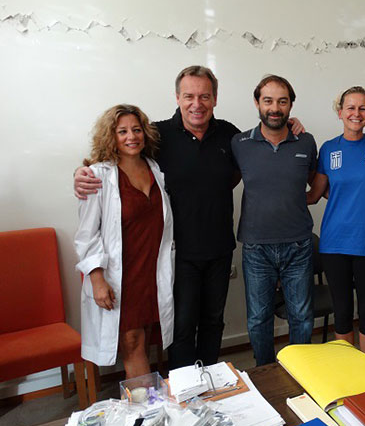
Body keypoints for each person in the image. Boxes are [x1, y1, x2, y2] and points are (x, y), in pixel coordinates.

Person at [74, 67, 304, 370]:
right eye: (189, 96)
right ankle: (184, 388)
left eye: (205, 96)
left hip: (219, 248)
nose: (197, 104)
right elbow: (119, 156)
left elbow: (258, 151)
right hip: (175, 253)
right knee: (181, 326)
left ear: (215, 99)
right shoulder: (157, 135)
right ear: (178, 97)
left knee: (213, 321)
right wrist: (81, 174)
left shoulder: (229, 135)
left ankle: (210, 381)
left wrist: (290, 124)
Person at [74, 104, 174, 378]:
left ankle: (147, 399)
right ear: (111, 136)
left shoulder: (155, 168)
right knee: (132, 342)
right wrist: (97, 280)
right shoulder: (97, 176)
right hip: (120, 275)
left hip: (152, 271)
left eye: (136, 130)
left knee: (147, 337)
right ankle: (146, 402)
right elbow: (86, 235)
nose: (131, 137)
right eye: (122, 131)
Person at [231, 74, 317, 366]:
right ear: (257, 103)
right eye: (268, 101)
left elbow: (315, 183)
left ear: (291, 105)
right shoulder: (239, 143)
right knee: (258, 318)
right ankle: (264, 372)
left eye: (282, 101)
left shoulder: (306, 141)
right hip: (257, 247)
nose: (275, 108)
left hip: (298, 245)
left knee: (301, 316)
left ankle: (300, 372)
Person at [306, 86, 365, 357]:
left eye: (363, 108)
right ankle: (348, 367)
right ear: (340, 112)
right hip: (335, 244)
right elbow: (315, 194)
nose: (356, 113)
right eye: (350, 107)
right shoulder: (329, 149)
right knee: (342, 311)